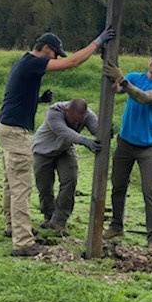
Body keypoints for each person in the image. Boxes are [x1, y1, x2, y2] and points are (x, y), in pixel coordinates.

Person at [0, 28, 115, 257]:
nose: (56, 59)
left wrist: (37, 99)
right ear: (46, 48)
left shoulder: (22, 63)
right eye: (55, 54)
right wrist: (97, 42)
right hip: (15, 131)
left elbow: (15, 93)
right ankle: (23, 243)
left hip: (4, 125)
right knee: (21, 186)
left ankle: (11, 227)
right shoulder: (33, 63)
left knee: (10, 182)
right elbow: (73, 62)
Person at [102, 46, 152, 256]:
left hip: (148, 146)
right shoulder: (135, 76)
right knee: (118, 185)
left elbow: (145, 98)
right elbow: (115, 88)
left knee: (150, 191)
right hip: (125, 142)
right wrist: (107, 65)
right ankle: (116, 225)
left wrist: (123, 81)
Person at [32, 98, 100, 234]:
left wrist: (106, 130)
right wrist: (84, 140)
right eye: (73, 120)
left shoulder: (87, 115)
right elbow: (64, 132)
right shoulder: (54, 111)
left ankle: (59, 221)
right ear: (67, 110)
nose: (76, 123)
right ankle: (49, 216)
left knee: (70, 179)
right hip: (43, 150)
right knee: (44, 186)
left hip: (64, 149)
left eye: (79, 121)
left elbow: (97, 129)